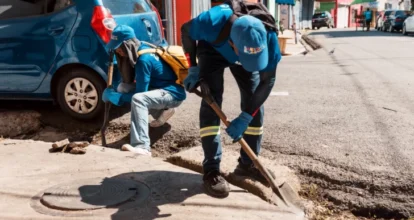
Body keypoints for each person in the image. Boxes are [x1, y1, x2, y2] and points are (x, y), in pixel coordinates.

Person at [181, 2, 281, 198]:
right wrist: (191, 67)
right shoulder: (212, 21)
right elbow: (186, 31)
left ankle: (248, 165)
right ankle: (211, 170)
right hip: (213, 50)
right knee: (212, 103)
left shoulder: (268, 36)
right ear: (232, 43)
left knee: (254, 105)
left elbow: (268, 81)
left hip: (244, 51)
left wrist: (245, 117)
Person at [103, 25, 186, 156]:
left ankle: (142, 146)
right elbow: (129, 84)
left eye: (119, 47)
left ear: (127, 45)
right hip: (159, 89)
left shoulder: (143, 60)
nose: (118, 51)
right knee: (122, 88)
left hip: (173, 94)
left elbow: (140, 94)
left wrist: (116, 98)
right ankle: (161, 113)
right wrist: (115, 90)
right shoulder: (141, 48)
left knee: (138, 99)